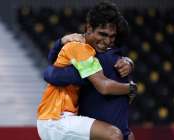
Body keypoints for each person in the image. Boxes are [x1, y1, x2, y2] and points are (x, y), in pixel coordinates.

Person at [36, 1, 136, 140]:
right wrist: (131, 88)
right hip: (56, 118)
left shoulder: (96, 54)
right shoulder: (80, 48)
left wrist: (128, 61)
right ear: (89, 28)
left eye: (112, 36)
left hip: (64, 118)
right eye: (103, 34)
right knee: (114, 134)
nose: (107, 41)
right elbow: (104, 86)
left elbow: (52, 65)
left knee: (128, 136)